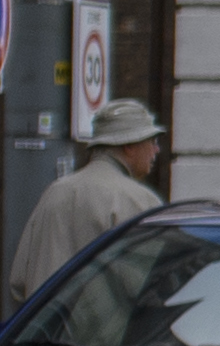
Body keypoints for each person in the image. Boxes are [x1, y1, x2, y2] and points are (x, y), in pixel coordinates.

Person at [8, 95, 166, 303]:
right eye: (152, 141)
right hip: (103, 335)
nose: (156, 150)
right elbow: (150, 284)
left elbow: (19, 280)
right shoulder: (140, 200)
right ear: (129, 146)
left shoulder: (54, 192)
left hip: (41, 332)